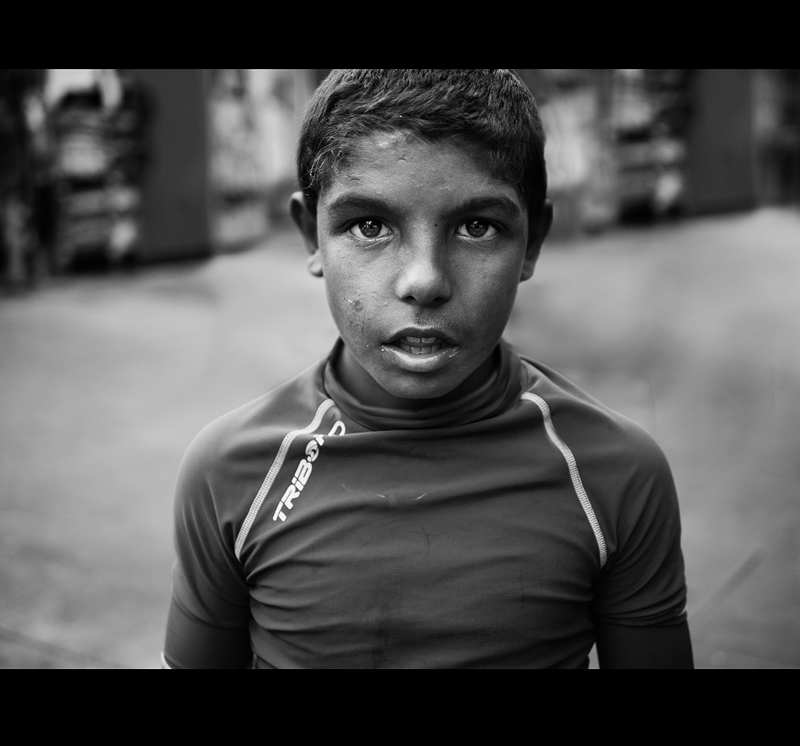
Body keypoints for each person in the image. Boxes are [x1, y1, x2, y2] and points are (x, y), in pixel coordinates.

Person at [163, 69, 692, 669]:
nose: (424, 281)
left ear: (533, 241)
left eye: (477, 227)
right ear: (311, 234)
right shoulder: (230, 474)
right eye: (370, 226)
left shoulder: (615, 476)